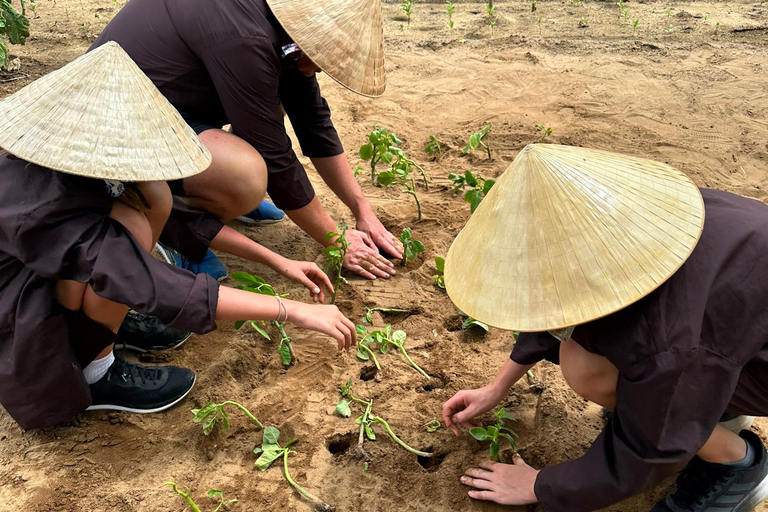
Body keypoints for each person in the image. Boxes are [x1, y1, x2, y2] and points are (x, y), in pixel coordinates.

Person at [0, 42, 356, 431]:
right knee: (130, 227)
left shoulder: (60, 158)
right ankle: (95, 372)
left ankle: (107, 325)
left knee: (152, 195)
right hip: (23, 321)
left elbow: (182, 222)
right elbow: (153, 283)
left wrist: (277, 260)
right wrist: (291, 309)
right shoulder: (43, 209)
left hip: (52, 275)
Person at [441, 144, 768, 512]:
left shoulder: (667, 339)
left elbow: (650, 448)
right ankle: (716, 406)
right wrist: (497, 386)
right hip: (742, 327)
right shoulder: (645, 217)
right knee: (583, 356)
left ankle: (737, 464)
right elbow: (558, 293)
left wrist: (540, 484)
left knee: (609, 382)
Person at [90, 0, 405, 282]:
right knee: (244, 177)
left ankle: (211, 200)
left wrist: (363, 210)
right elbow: (275, 159)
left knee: (276, 99)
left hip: (165, 108)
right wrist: (337, 239)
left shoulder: (281, 28)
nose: (321, 68)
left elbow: (313, 122)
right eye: (326, 59)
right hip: (112, 126)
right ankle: (174, 229)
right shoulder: (245, 37)